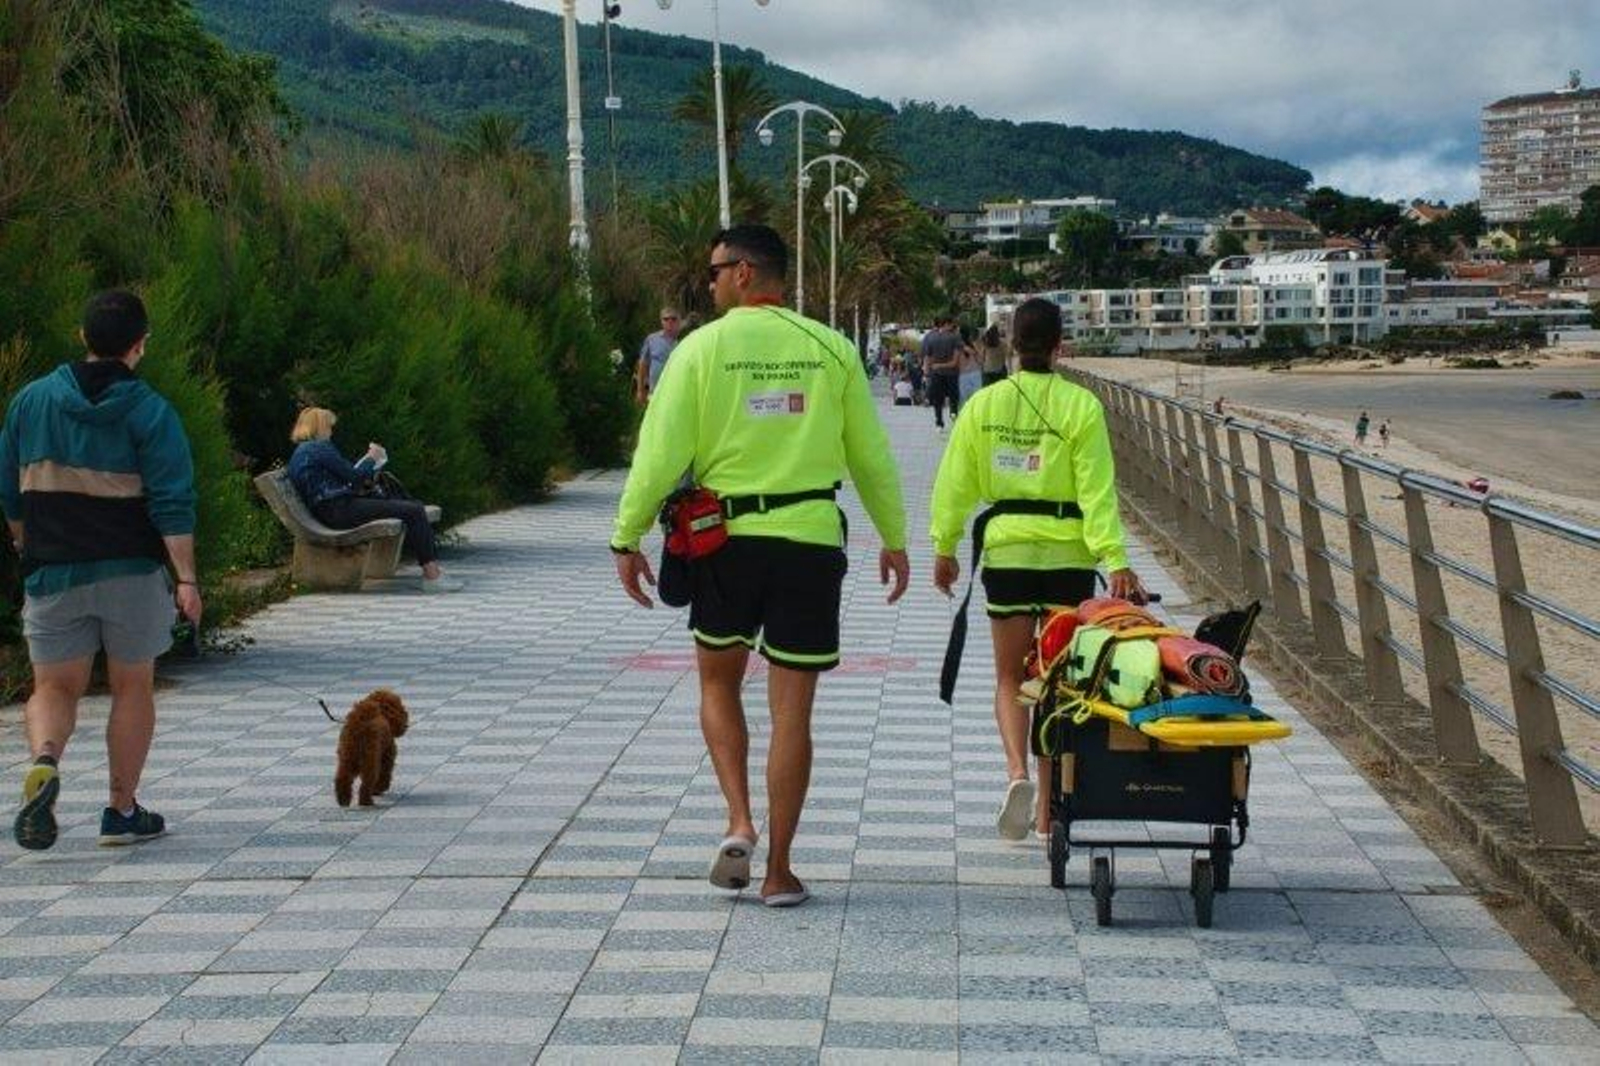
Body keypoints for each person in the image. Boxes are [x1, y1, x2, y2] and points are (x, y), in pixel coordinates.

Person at [610, 224, 909, 908]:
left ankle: (739, 819)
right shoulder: (830, 348)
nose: (709, 284)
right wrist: (894, 539)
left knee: (718, 683)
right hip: (809, 539)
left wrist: (626, 536)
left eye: (715, 271)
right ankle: (779, 871)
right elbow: (869, 456)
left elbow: (659, 453)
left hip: (724, 542)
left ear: (744, 272)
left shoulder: (699, 350)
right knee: (792, 712)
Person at [930, 296, 1146, 841]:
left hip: (1007, 552)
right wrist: (1115, 558)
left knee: (1010, 677)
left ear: (1009, 344)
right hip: (1069, 556)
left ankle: (1016, 774)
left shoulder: (984, 405)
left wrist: (945, 546)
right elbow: (1097, 489)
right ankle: (1050, 808)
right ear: (1059, 346)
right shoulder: (1081, 405)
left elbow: (955, 481)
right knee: (1056, 683)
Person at [0, 290, 201, 851]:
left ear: (83, 337)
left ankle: (45, 759)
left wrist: (25, 542)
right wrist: (186, 579)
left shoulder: (31, 401)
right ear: (140, 345)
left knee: (54, 686)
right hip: (130, 572)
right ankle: (121, 810)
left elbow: (9, 489)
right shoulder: (151, 411)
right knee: (132, 685)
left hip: (53, 570)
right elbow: (173, 502)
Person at [286, 408, 459, 593]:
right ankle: (432, 577)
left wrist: (366, 466)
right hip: (339, 510)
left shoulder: (304, 451)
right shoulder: (318, 448)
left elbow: (344, 478)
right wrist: (372, 458)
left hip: (333, 508)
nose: (331, 431)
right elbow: (355, 477)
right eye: (329, 426)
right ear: (319, 427)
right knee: (414, 510)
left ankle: (433, 572)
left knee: (412, 507)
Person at [634, 306, 683, 406]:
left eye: (673, 319)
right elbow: (643, 365)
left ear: (679, 321)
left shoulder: (686, 339)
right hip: (655, 393)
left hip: (679, 393)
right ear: (661, 321)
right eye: (666, 319)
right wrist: (640, 391)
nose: (669, 321)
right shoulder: (652, 339)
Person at [920, 317, 962, 431]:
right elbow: (955, 362)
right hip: (952, 373)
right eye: (952, 324)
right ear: (947, 324)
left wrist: (927, 371)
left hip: (936, 373)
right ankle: (953, 414)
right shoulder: (956, 337)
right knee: (953, 396)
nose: (953, 327)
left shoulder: (930, 337)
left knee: (938, 399)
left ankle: (939, 423)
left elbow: (927, 357)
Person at [957, 324, 984, 408]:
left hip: (963, 375)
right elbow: (981, 361)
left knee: (964, 402)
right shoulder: (974, 345)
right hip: (976, 373)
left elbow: (957, 363)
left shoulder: (957, 347)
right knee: (977, 400)